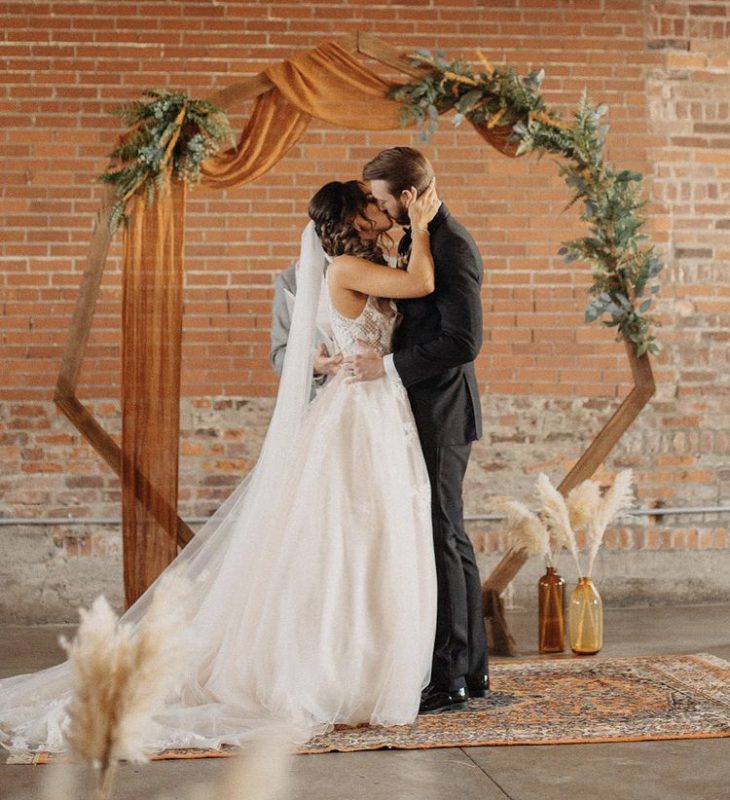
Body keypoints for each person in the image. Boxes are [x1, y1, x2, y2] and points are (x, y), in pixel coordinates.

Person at [0, 180, 441, 755]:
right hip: (359, 415)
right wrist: (426, 224)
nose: (381, 209)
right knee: (345, 541)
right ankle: (335, 674)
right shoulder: (341, 271)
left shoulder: (357, 264)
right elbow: (421, 284)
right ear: (353, 219)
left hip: (377, 409)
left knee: (371, 540)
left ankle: (365, 667)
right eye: (372, 205)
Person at [346, 147, 489, 715]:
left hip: (442, 408)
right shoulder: (420, 237)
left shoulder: (450, 243)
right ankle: (471, 670)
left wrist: (386, 366)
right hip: (425, 405)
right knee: (449, 531)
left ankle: (450, 677)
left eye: (381, 199)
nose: (377, 208)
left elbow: (464, 341)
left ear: (406, 197)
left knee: (442, 533)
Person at [269, 260, 342, 397]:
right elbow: (278, 356)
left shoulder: (383, 268)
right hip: (322, 399)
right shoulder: (291, 279)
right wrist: (314, 366)